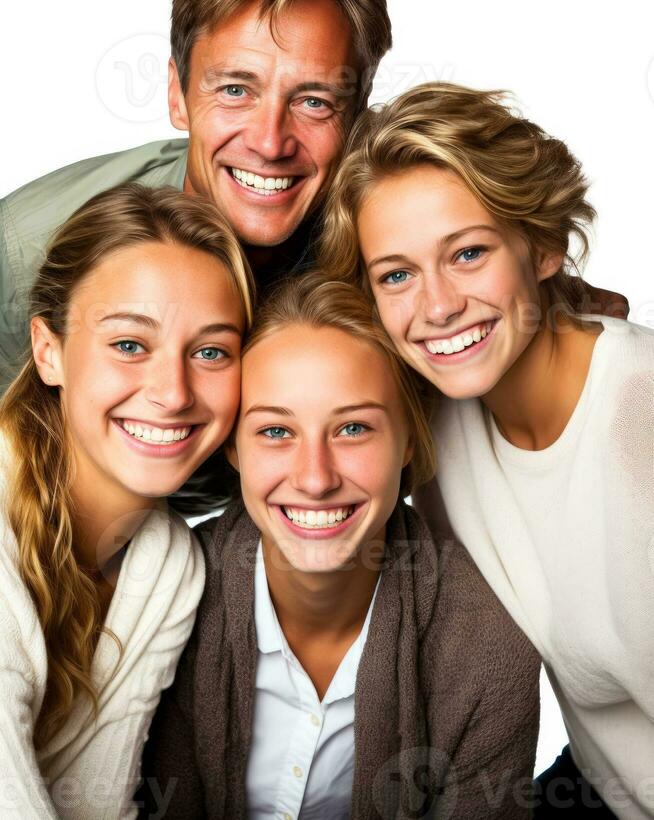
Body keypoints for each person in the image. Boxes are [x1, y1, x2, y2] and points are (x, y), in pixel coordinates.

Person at [318, 82, 654, 819]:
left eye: (467, 253)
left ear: (542, 247)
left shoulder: (639, 422)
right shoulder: (434, 416)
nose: (436, 307)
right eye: (397, 275)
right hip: (597, 786)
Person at [138, 272, 541, 820]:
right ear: (233, 447)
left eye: (353, 429)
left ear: (410, 437)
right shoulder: (162, 596)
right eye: (276, 432)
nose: (315, 478)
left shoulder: (484, 646)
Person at [0, 0, 391, 395]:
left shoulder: (395, 256)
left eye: (314, 101)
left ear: (356, 117)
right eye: (234, 90)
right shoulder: (25, 250)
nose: (270, 142)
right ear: (176, 96)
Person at [0, 183, 254, 819]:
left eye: (211, 352)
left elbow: (97, 803)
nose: (172, 392)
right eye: (129, 345)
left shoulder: (169, 566)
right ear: (48, 350)